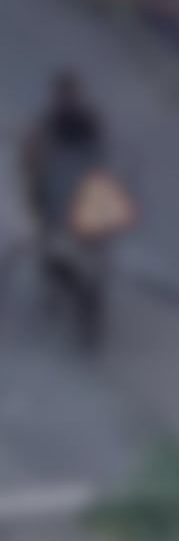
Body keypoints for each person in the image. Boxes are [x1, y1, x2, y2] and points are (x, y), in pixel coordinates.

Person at [19, 73, 112, 344]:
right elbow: (33, 155)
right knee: (52, 247)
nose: (67, 99)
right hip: (56, 196)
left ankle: (89, 310)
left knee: (92, 255)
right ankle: (60, 285)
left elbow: (101, 156)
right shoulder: (48, 123)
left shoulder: (89, 121)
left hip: (83, 196)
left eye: (70, 94)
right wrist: (35, 187)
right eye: (63, 94)